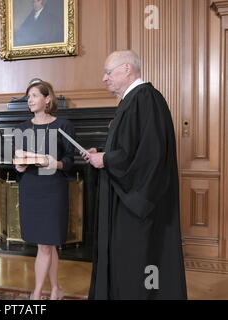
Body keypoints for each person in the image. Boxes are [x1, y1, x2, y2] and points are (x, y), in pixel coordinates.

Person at [83, 50, 187, 299]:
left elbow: (149, 156)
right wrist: (103, 154)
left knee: (138, 261)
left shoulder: (146, 99)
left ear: (127, 69)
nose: (104, 79)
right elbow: (129, 148)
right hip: (126, 199)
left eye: (108, 72)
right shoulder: (132, 101)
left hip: (139, 205)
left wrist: (106, 159)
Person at [14, 80, 75, 300]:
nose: (29, 100)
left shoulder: (63, 125)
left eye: (34, 95)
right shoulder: (22, 128)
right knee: (48, 245)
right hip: (30, 188)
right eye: (28, 97)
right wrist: (19, 165)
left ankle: (37, 292)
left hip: (53, 190)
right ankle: (57, 289)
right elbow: (18, 159)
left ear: (47, 98)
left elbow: (70, 160)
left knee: (46, 246)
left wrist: (54, 163)